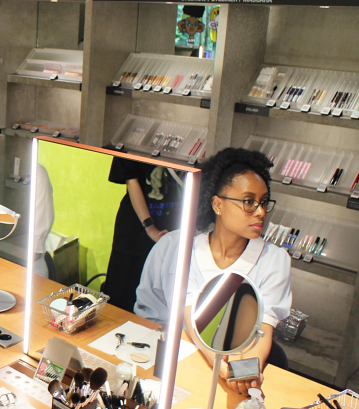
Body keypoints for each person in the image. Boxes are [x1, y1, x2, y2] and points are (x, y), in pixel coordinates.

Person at [135, 148, 291, 395]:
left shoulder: (274, 261)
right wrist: (222, 368)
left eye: (263, 202)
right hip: (171, 364)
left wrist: (244, 375)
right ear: (217, 204)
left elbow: (263, 330)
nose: (260, 211)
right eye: (249, 202)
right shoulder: (175, 248)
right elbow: (188, 320)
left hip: (231, 377)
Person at [105, 158, 184, 311]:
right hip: (136, 232)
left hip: (175, 232)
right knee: (123, 297)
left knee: (165, 301)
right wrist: (149, 227)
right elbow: (131, 181)